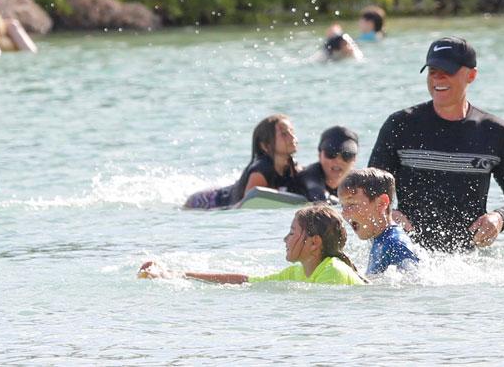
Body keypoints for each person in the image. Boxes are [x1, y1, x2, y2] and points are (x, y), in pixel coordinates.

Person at [368, 36, 504, 253]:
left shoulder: (495, 132)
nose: (439, 78)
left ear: (471, 75)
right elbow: (369, 188)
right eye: (433, 71)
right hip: (404, 254)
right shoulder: (400, 124)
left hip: (466, 261)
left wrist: (499, 218)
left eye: (448, 71)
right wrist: (389, 215)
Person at [139, 204, 366, 285]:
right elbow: (245, 281)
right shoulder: (299, 271)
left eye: (291, 233)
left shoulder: (333, 272)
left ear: (314, 243)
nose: (285, 239)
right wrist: (176, 274)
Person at [184, 114, 300, 209]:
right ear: (265, 145)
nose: (292, 137)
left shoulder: (292, 168)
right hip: (206, 201)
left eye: (292, 131)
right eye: (284, 134)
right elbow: (246, 205)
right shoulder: (261, 170)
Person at [338, 167, 419, 276]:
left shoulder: (397, 244)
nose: (344, 213)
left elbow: (413, 285)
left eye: (352, 204)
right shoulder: (380, 237)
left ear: (381, 203)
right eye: (343, 205)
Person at [295, 126, 359, 203]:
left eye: (347, 155)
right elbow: (319, 196)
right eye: (331, 154)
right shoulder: (308, 176)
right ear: (319, 155)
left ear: (355, 159)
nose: (338, 161)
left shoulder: (358, 183)